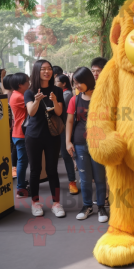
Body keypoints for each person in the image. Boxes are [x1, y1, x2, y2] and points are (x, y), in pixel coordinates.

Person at [66, 67, 108, 223]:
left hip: (98, 144)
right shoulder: (74, 99)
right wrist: (68, 142)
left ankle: (101, 206)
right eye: (75, 83)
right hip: (80, 143)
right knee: (84, 178)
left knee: (99, 177)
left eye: (79, 82)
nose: (77, 86)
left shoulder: (101, 97)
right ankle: (87, 206)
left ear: (88, 80)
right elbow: (70, 121)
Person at [24, 60, 65, 217]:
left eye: (49, 69)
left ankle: (56, 203)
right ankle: (35, 203)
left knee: (52, 170)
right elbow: (31, 113)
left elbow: (60, 113)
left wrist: (54, 101)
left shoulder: (57, 90)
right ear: (37, 71)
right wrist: (37, 100)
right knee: (35, 171)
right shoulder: (30, 91)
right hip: (34, 136)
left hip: (52, 135)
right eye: (43, 69)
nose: (47, 72)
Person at [55, 74, 78, 194]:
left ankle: (72, 181)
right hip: (53, 127)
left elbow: (65, 114)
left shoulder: (66, 94)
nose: (54, 82)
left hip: (62, 127)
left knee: (65, 154)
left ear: (64, 83)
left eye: (56, 81)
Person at [10, 73, 30, 197]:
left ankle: (22, 185)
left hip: (18, 132)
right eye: (27, 82)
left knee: (22, 161)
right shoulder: (19, 97)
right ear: (20, 84)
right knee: (22, 161)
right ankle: (21, 189)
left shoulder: (16, 94)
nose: (29, 84)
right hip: (21, 133)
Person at [2, 73, 18, 178]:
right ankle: (13, 168)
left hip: (10, 125)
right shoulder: (9, 94)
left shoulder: (7, 93)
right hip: (11, 125)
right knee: (13, 147)